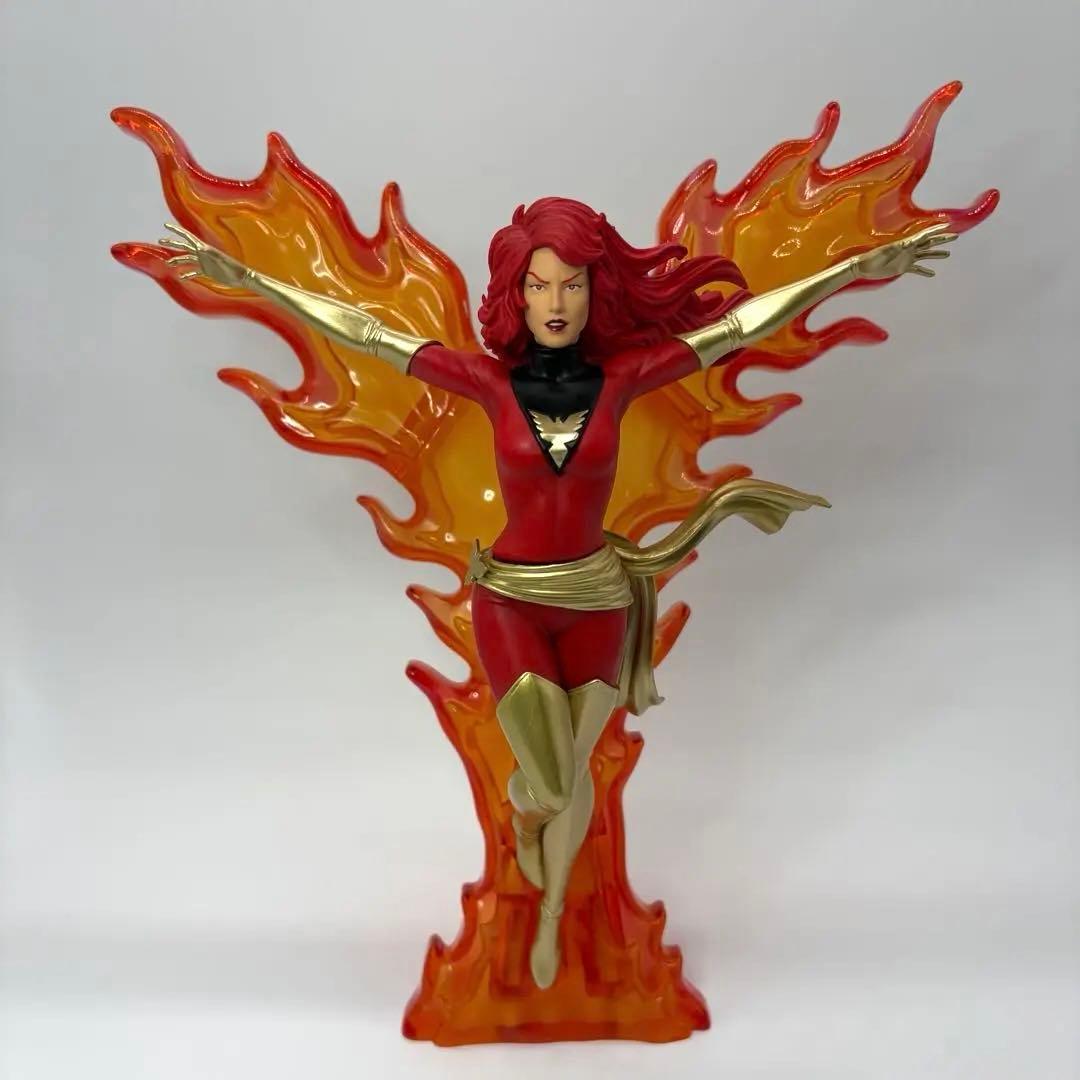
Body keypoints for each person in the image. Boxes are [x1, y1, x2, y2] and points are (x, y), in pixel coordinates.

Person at [159, 198, 954, 987]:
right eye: (539, 285)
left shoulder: (626, 379)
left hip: (600, 601)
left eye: (572, 284)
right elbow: (365, 333)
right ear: (517, 294)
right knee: (545, 781)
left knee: (574, 779)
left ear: (593, 293)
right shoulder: (486, 381)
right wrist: (250, 280)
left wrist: (855, 268)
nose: (556, 302)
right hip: (512, 600)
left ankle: (547, 916)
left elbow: (738, 328)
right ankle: (525, 812)